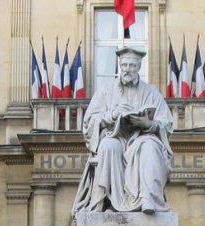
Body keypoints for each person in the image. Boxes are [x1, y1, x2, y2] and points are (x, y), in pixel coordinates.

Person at [72, 47, 174, 215]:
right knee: (108, 147)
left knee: (149, 146)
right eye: (124, 65)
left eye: (132, 66)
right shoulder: (106, 91)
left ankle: (147, 199)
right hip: (115, 136)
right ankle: (113, 202)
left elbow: (166, 123)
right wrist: (112, 115)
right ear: (120, 66)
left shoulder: (151, 93)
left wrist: (147, 124)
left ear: (139, 67)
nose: (127, 69)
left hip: (141, 137)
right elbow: (89, 121)